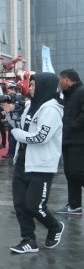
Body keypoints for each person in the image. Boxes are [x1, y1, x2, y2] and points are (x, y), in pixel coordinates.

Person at [6, 73, 65, 253]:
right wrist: (9, 116)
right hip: (23, 161)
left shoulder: (51, 110)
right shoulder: (31, 106)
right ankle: (28, 240)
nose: (29, 88)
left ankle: (55, 227)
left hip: (41, 165)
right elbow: (23, 128)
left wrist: (18, 135)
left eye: (32, 85)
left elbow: (41, 137)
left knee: (35, 206)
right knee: (20, 204)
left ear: (44, 86)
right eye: (29, 84)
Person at [57, 69, 84, 215]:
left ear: (67, 79)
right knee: (69, 173)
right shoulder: (68, 94)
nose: (59, 82)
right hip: (67, 139)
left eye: (60, 79)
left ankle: (75, 205)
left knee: (77, 171)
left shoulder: (81, 91)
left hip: (79, 140)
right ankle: (74, 205)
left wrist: (71, 126)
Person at [2, 84, 25, 159]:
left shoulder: (18, 97)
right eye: (8, 91)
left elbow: (13, 108)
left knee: (13, 137)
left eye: (11, 91)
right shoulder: (15, 97)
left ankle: (12, 153)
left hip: (15, 120)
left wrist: (7, 107)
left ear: (16, 91)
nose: (9, 92)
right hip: (13, 119)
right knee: (11, 137)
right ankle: (12, 152)